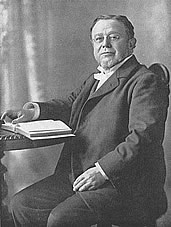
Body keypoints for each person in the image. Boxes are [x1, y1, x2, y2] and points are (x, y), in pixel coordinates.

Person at [1, 14, 169, 227]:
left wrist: (102, 171)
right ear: (93, 45)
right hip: (79, 173)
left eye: (114, 37)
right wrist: (33, 112)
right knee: (21, 205)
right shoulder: (96, 78)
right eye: (99, 39)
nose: (105, 44)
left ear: (131, 43)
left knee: (60, 219)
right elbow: (70, 105)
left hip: (122, 182)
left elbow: (143, 138)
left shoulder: (145, 80)